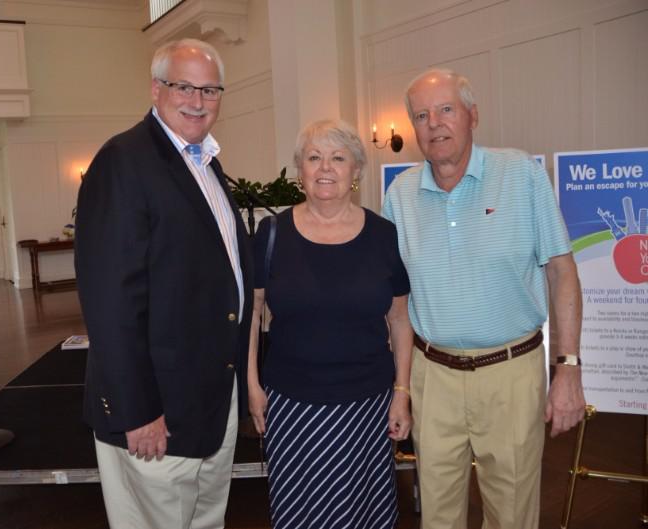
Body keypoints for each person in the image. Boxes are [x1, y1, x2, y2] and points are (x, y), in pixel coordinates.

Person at [382, 68, 586, 529]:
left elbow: (562, 271)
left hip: (511, 374)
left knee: (513, 512)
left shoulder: (521, 175)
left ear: (473, 115)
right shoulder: (399, 196)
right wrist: (402, 388)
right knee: (437, 514)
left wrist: (568, 368)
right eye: (421, 115)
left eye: (446, 109)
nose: (434, 123)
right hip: (432, 379)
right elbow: (396, 304)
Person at [74, 38, 253, 529]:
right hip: (157, 414)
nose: (198, 101)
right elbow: (110, 302)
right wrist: (138, 411)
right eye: (184, 87)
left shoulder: (204, 163)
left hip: (208, 403)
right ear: (157, 89)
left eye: (210, 90)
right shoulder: (123, 161)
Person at [248, 119, 414, 529]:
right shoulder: (270, 235)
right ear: (300, 170)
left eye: (338, 158)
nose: (326, 168)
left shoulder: (383, 235)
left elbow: (399, 318)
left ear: (355, 171)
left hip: (366, 406)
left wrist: (402, 392)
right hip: (292, 406)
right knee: (301, 511)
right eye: (314, 157)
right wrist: (252, 386)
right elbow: (251, 314)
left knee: (361, 510)